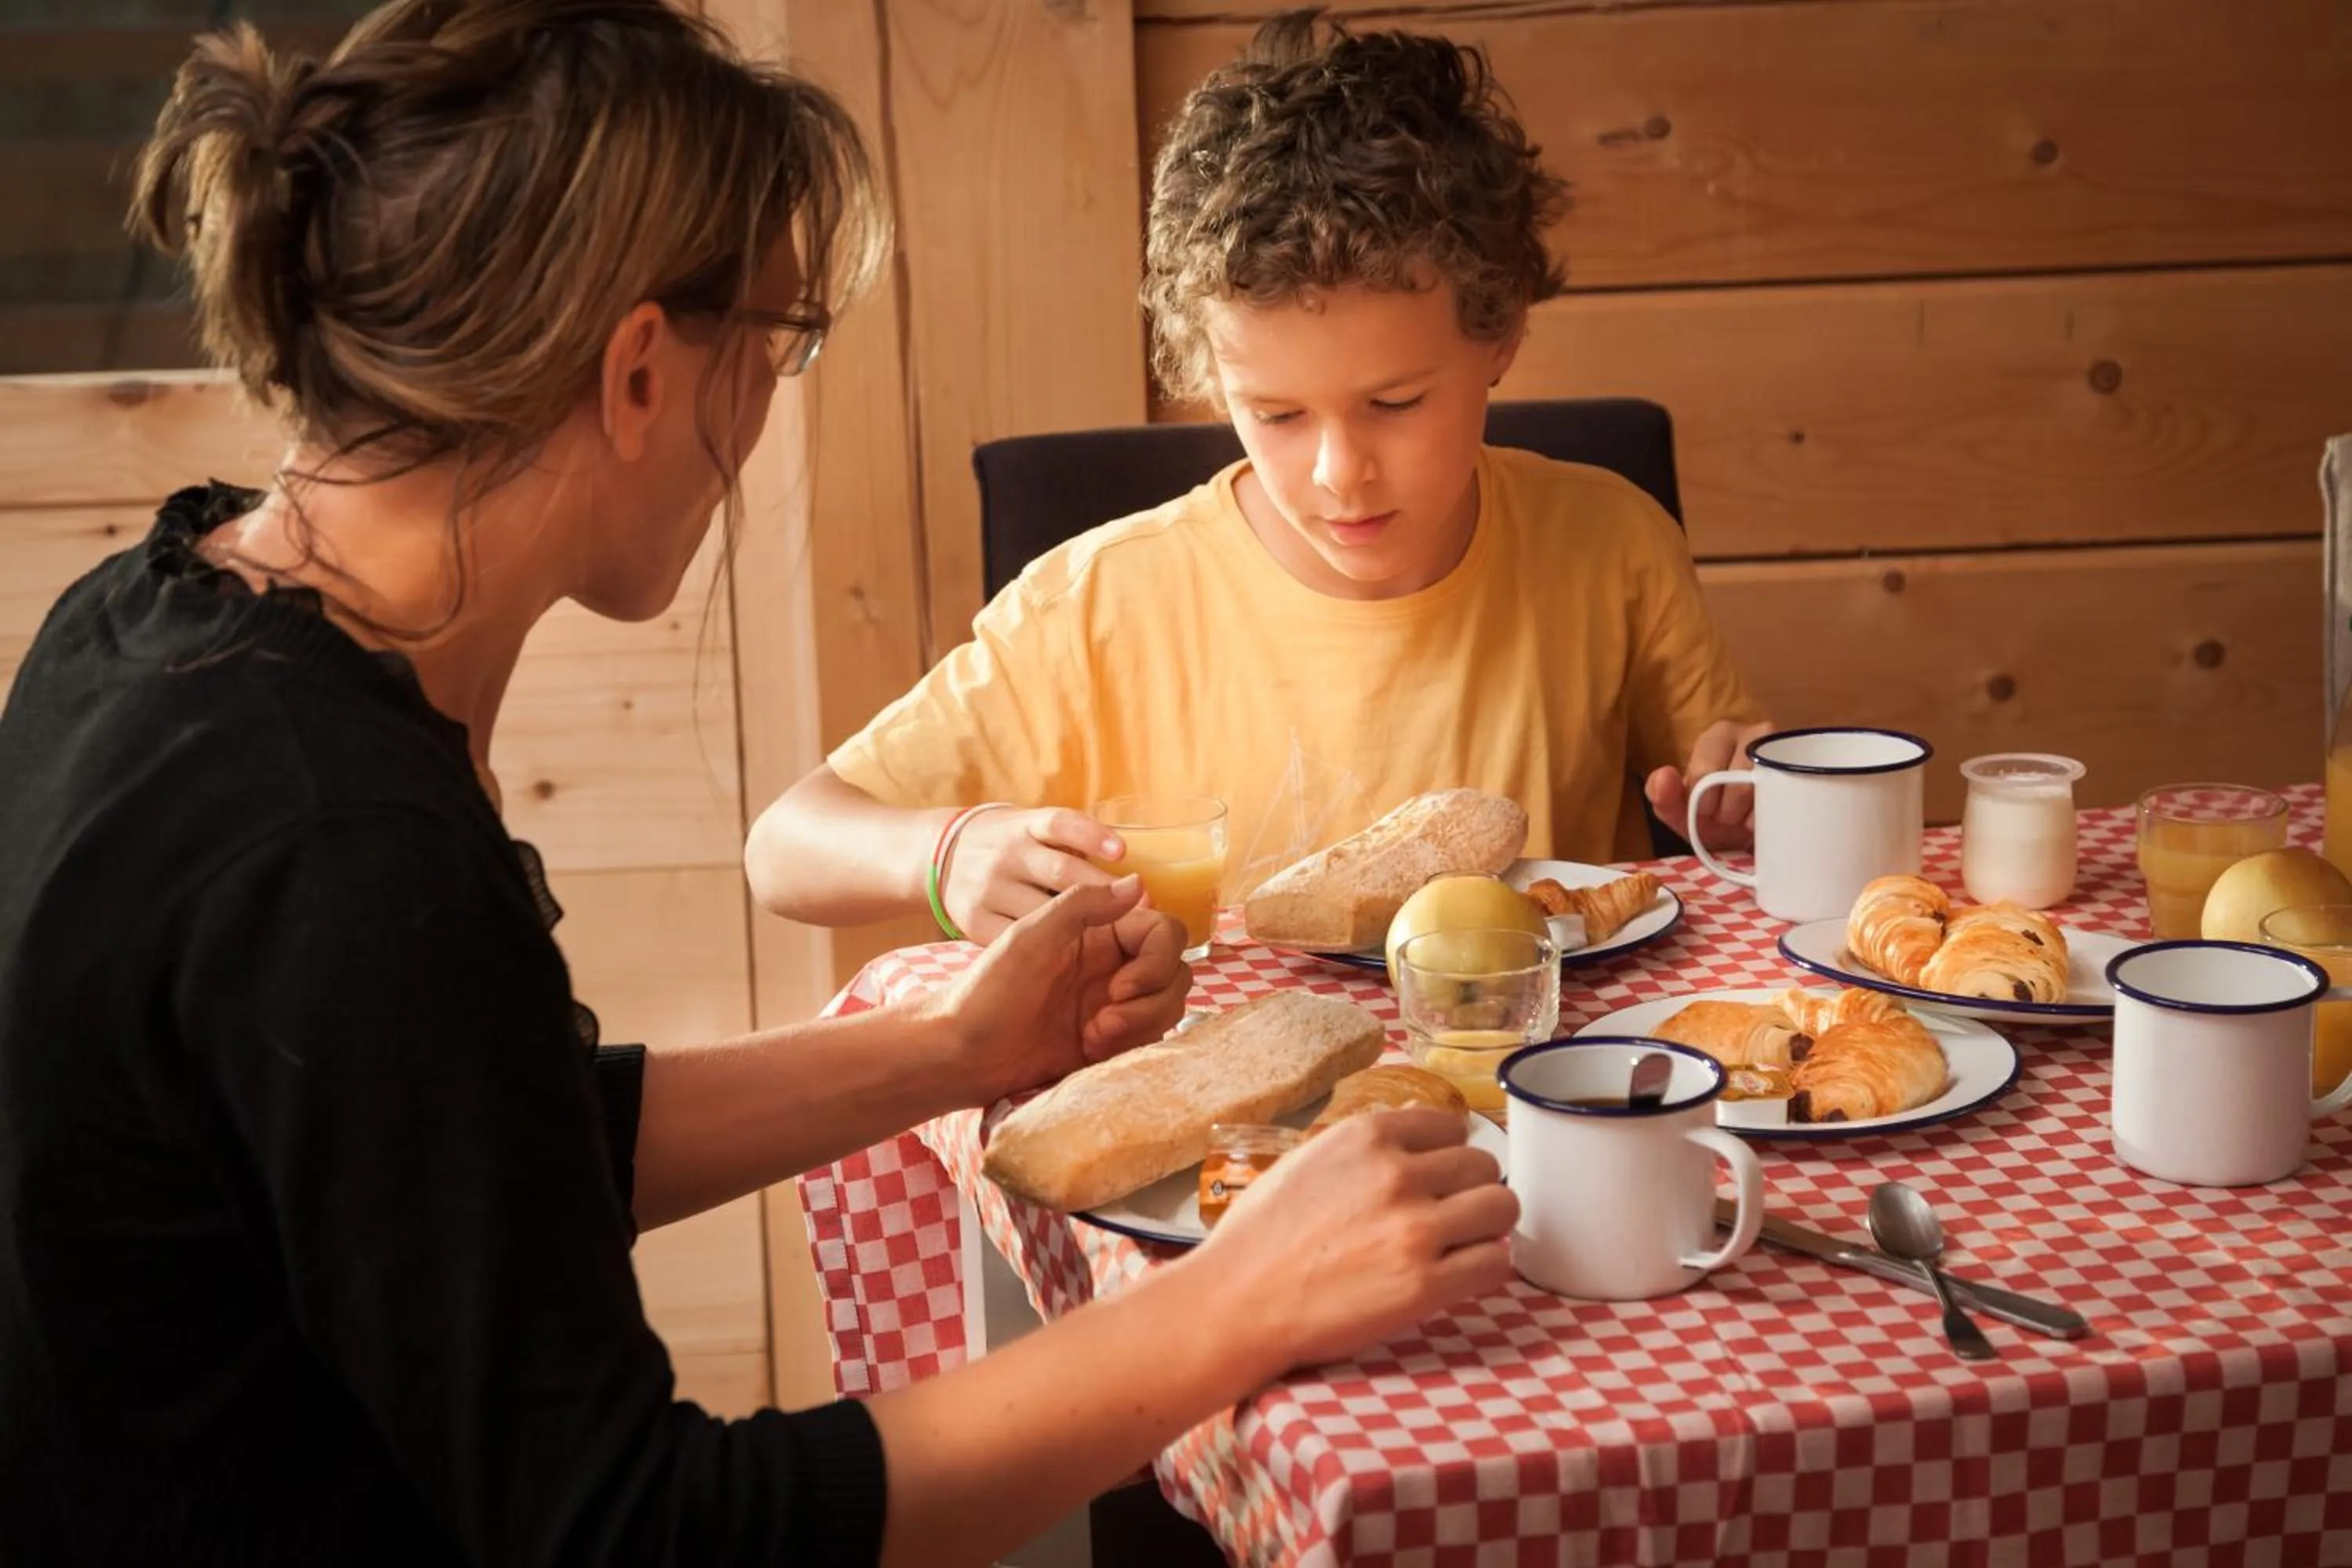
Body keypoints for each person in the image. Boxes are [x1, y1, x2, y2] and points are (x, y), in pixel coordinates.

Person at [0, 5, 1515, 1565]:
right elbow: (643, 1528)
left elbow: (464, 1143)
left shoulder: (146, 623)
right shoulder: (342, 847)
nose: (772, 406)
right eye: (782, 341)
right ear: (646, 369)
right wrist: (1235, 1302)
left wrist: (951, 1049)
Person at [746, 9, 1771, 946]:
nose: (1339, 475)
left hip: (1538, 1100)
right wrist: (945, 852)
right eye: (1276, 416)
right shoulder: (1100, 607)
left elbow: (1729, 802)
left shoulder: (1610, 544)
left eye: (1397, 403)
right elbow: (788, 845)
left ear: (1499, 333)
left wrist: (1751, 795)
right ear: (1213, 378)